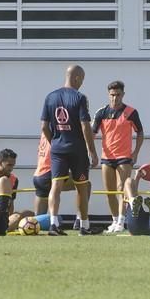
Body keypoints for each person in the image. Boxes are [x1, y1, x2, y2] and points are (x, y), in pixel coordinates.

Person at [41, 64, 101, 236]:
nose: (82, 83)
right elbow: (85, 126)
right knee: (82, 186)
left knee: (55, 186)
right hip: (77, 149)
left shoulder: (50, 97)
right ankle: (84, 226)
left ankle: (53, 225)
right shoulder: (80, 97)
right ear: (77, 78)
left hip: (58, 148)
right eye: (82, 79)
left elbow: (44, 126)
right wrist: (92, 151)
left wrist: (54, 142)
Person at [92, 80, 144, 233]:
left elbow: (140, 133)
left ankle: (122, 220)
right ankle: (114, 220)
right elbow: (92, 134)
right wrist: (91, 152)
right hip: (106, 157)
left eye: (118, 95)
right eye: (112, 95)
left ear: (123, 94)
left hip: (124, 156)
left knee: (121, 189)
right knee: (109, 191)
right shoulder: (101, 112)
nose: (115, 98)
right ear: (108, 95)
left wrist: (135, 153)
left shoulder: (131, 112)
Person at [32, 134, 75, 215]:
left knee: (38, 219)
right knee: (85, 185)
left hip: (38, 176)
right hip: (51, 173)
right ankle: (80, 220)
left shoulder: (44, 133)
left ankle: (32, 224)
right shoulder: (57, 132)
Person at [121, 164, 150, 236]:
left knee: (128, 181)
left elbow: (132, 189)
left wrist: (137, 177)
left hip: (135, 227)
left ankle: (131, 200)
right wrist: (137, 177)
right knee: (129, 181)